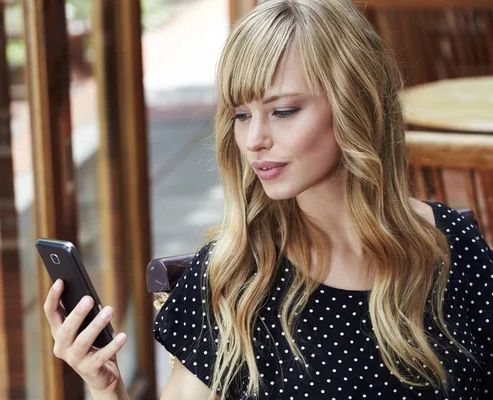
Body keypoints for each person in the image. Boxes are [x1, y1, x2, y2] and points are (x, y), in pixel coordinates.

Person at [43, 0, 493, 398]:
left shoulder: (453, 243)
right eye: (241, 115)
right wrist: (107, 388)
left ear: (357, 104)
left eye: (282, 111)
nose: (254, 139)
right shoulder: (236, 275)